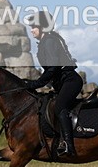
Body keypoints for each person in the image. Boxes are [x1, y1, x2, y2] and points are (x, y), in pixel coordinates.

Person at [22, 11, 82, 157]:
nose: (32, 30)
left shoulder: (49, 41)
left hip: (70, 80)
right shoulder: (45, 42)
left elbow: (53, 68)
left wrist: (36, 83)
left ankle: (68, 145)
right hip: (62, 82)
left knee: (60, 107)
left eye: (34, 27)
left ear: (43, 27)